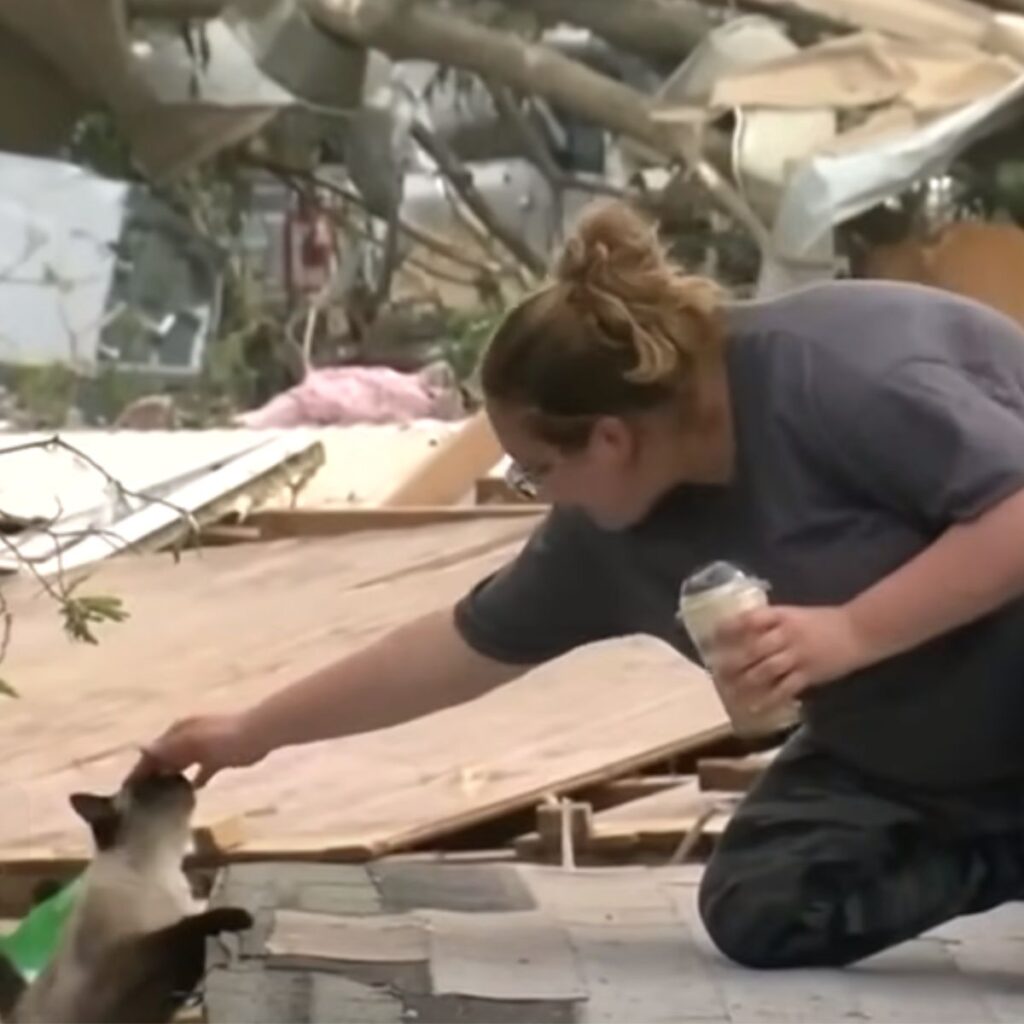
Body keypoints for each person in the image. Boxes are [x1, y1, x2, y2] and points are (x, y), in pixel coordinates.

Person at [136, 200, 1024, 971]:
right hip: (913, 756)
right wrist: (251, 733)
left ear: (607, 439)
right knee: (765, 905)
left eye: (533, 470)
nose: (534, 492)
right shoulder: (611, 533)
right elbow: (455, 649)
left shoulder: (837, 370)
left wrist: (855, 631)